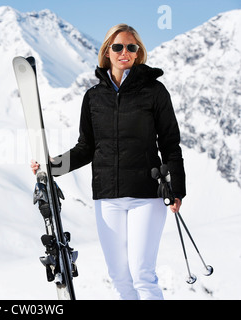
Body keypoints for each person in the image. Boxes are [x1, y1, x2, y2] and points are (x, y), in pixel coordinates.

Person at [30, 24, 186, 300]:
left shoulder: (155, 92)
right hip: (107, 197)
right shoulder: (93, 97)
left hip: (146, 196)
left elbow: (170, 143)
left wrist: (177, 189)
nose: (124, 52)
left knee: (142, 275)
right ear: (107, 52)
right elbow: (86, 148)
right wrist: (52, 167)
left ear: (138, 53)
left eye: (131, 47)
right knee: (120, 278)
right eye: (118, 47)